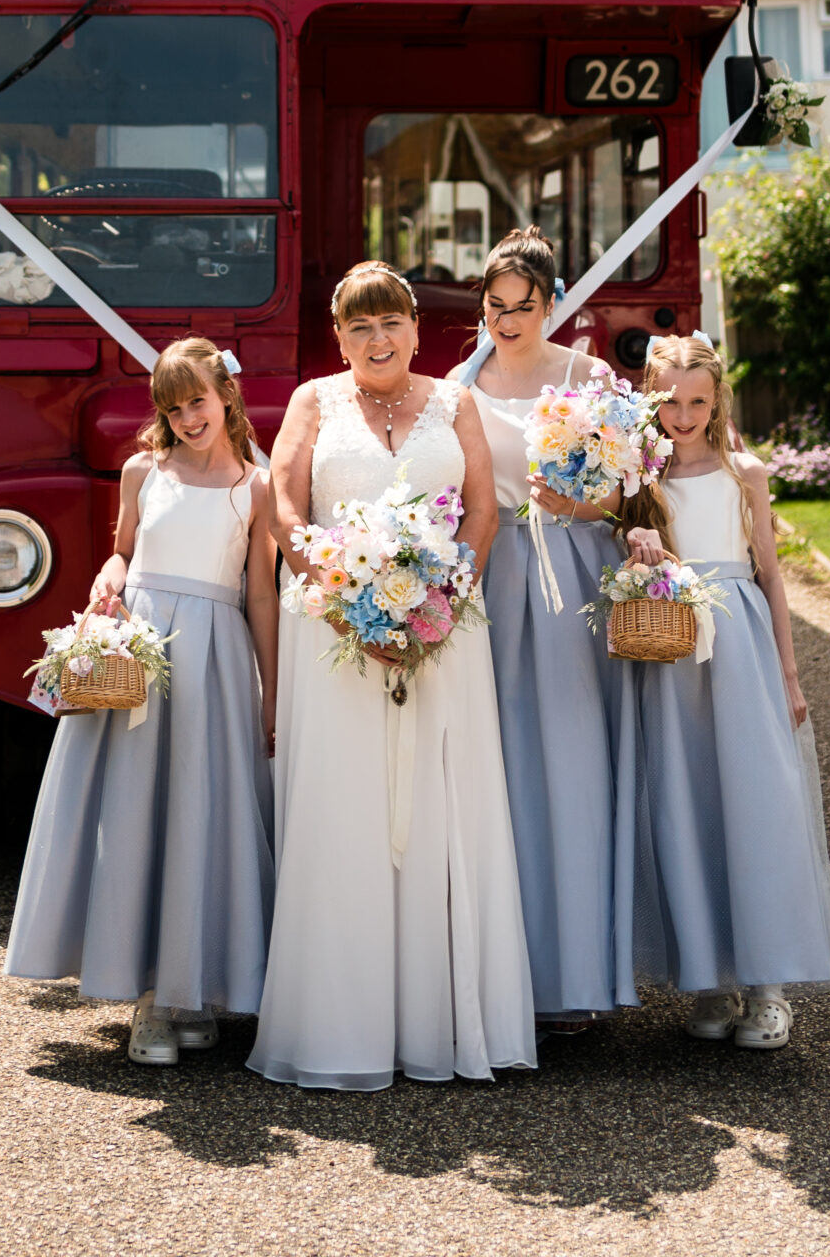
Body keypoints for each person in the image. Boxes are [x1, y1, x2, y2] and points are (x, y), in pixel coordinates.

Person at [248, 263, 536, 1090]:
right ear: (337, 337)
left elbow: (481, 510)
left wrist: (442, 602)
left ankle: (444, 1025)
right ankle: (343, 1025)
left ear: (416, 326)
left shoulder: (456, 402)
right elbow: (286, 507)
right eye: (358, 328)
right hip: (335, 636)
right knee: (347, 813)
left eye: (391, 324)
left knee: (446, 810)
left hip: (446, 632)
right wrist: (343, 603)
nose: (377, 341)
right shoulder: (313, 402)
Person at [3, 337, 278, 1065]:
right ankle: (147, 1000)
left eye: (197, 401)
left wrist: (270, 688)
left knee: (198, 818)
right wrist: (109, 577)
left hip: (216, 660)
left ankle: (187, 991)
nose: (188, 418)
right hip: (144, 661)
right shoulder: (141, 471)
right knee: (135, 816)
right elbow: (122, 551)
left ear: (225, 395)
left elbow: (259, 591)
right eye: (173, 406)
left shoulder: (255, 485)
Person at [622, 333, 830, 1048]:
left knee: (754, 800)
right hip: (674, 650)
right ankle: (710, 980)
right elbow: (627, 558)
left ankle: (769, 987)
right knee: (684, 802)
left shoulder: (742, 472)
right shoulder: (638, 477)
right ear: (650, 400)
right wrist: (637, 545)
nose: (681, 416)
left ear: (716, 399)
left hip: (741, 645)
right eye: (668, 402)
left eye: (695, 401)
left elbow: (771, 577)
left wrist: (788, 672)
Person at [471, 227, 640, 1023]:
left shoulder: (589, 376)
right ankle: (504, 975)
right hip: (493, 573)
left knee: (572, 758)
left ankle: (575, 974)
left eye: (523, 308)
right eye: (496, 307)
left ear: (552, 304)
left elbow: (621, 493)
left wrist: (566, 501)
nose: (507, 322)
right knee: (497, 762)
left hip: (571, 570)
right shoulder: (458, 384)